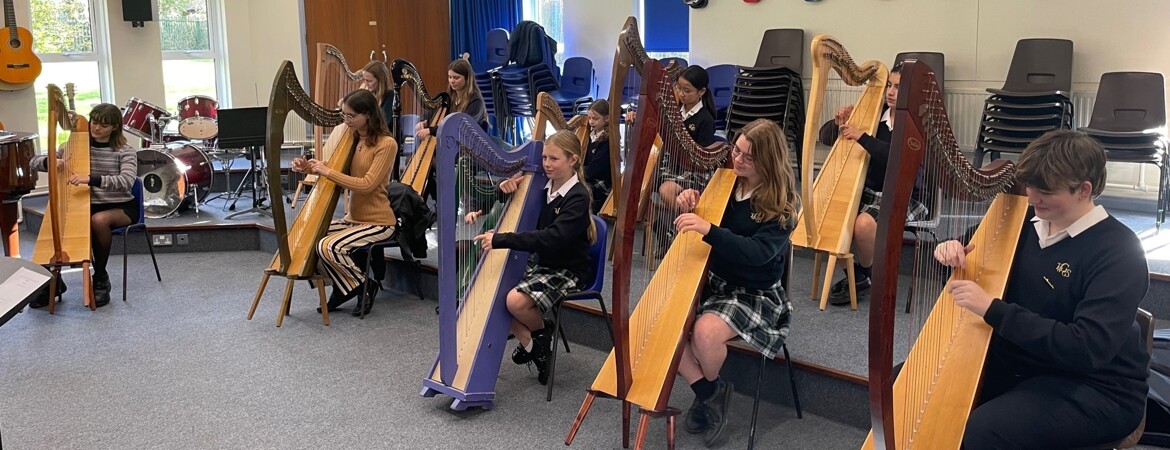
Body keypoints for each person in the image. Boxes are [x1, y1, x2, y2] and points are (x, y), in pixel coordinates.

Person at [933, 130, 1149, 449]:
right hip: (1023, 362)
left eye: (1045, 191)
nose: (1032, 197)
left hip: (1096, 385)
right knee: (908, 384)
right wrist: (949, 255)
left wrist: (994, 309)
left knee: (985, 431)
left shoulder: (1119, 250)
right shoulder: (1019, 222)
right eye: (1031, 186)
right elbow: (966, 282)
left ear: (1083, 190)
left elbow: (1086, 350)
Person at [671, 118, 799, 445]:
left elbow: (757, 254)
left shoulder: (782, 204)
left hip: (754, 291)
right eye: (736, 150)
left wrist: (708, 230)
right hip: (714, 282)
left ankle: (706, 392)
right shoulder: (727, 182)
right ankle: (710, 391)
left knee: (704, 333)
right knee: (663, 320)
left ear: (768, 161)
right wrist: (690, 201)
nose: (737, 160)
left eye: (747, 156)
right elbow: (702, 212)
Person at [474, 130, 596, 386]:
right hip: (543, 263)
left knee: (515, 302)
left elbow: (551, 238)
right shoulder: (540, 185)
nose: (547, 164)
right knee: (494, 292)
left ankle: (538, 338)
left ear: (573, 160)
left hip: (568, 269)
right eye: (544, 158)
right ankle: (539, 342)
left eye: (554, 159)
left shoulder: (577, 196)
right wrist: (503, 190)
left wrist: (501, 239)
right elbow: (505, 201)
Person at [817, 61, 928, 305]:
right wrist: (837, 123)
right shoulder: (875, 114)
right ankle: (863, 272)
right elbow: (824, 138)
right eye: (889, 84)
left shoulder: (917, 125)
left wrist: (862, 137)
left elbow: (897, 158)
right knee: (829, 209)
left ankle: (863, 273)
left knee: (864, 224)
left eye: (898, 87)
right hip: (871, 191)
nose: (890, 91)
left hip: (902, 194)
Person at [293, 89, 398, 317]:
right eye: (344, 116)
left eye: (351, 116)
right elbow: (335, 168)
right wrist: (308, 167)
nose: (346, 121)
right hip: (354, 219)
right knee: (309, 238)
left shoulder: (386, 144)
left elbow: (367, 184)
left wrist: (327, 171)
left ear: (367, 115)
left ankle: (364, 286)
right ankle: (345, 287)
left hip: (378, 221)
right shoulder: (352, 137)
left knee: (329, 246)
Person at [29, 103, 138, 308]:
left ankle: (101, 277)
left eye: (103, 126)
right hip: (84, 204)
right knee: (55, 221)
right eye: (94, 123)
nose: (96, 128)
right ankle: (53, 281)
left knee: (98, 220)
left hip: (119, 206)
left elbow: (127, 181)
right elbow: (32, 162)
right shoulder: (76, 145)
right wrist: (51, 162)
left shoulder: (125, 151)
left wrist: (91, 179)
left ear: (115, 127)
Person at [415, 58, 488, 138]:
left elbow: (461, 126)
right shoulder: (447, 98)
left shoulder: (476, 101)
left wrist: (431, 130)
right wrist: (423, 121)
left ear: (467, 79)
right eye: (450, 77)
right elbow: (429, 114)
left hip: (470, 145)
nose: (452, 81)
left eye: (456, 78)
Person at [583, 99, 612, 213]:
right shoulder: (590, 136)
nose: (591, 122)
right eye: (589, 118)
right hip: (590, 178)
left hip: (601, 185)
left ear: (607, 118)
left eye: (595, 118)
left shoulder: (607, 141)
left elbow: (593, 170)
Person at [360, 60, 397, 135]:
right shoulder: (370, 95)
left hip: (386, 138)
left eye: (369, 81)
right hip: (372, 136)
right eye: (364, 80)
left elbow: (382, 124)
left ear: (380, 81)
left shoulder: (391, 96)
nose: (366, 84)